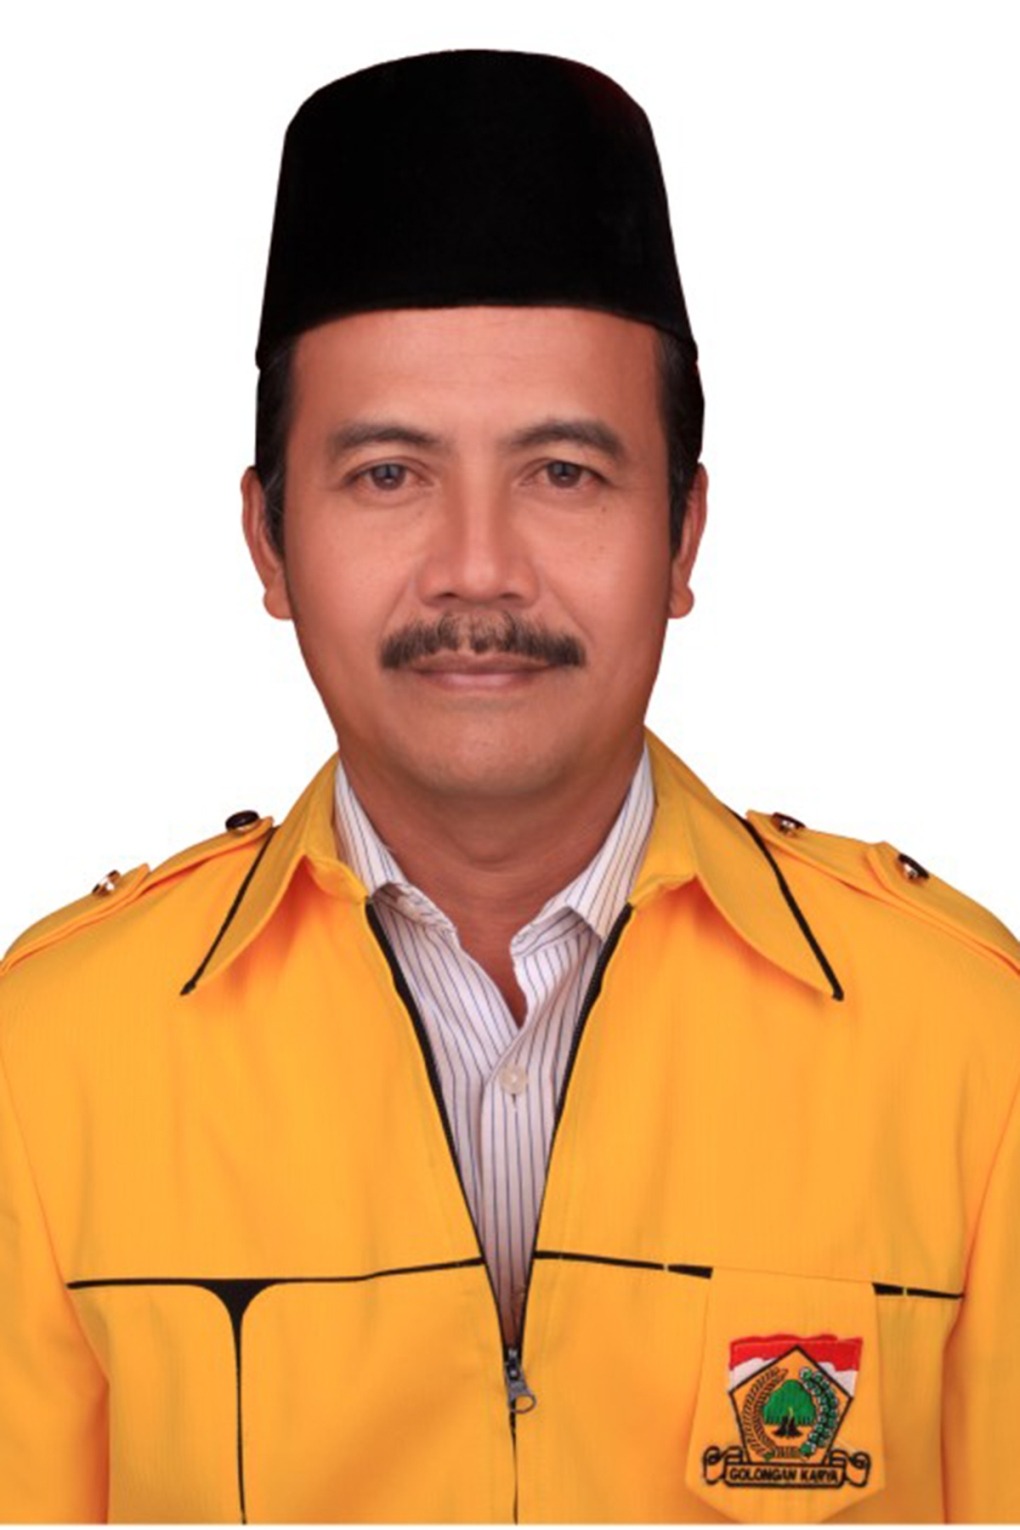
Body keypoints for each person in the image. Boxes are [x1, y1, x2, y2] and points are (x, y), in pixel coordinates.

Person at [1, 47, 1017, 1526]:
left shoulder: (970, 1056)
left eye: (563, 473)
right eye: (388, 474)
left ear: (683, 535)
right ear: (270, 542)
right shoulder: (46, 1070)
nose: (477, 572)